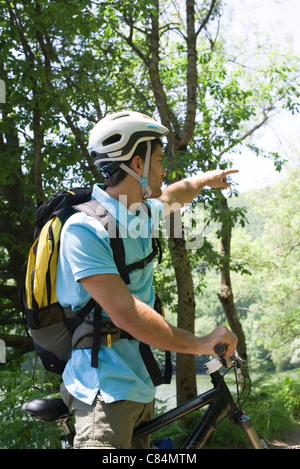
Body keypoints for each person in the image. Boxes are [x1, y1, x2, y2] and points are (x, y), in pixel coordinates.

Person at [57, 111, 238, 449]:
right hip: (103, 391)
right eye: (158, 161)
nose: (163, 171)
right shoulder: (85, 229)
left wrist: (206, 180)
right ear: (137, 166)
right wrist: (200, 342)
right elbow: (125, 314)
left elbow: (173, 195)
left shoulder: (138, 214)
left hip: (140, 386)